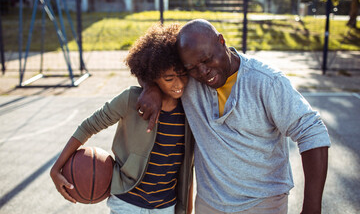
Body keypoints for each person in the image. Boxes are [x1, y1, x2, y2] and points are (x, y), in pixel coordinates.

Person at [137, 19, 331, 214]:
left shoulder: (266, 81)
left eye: (207, 60)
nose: (203, 72)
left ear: (221, 41)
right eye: (192, 67)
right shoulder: (187, 81)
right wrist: (150, 86)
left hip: (263, 203)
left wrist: (312, 209)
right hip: (210, 203)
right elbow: (148, 64)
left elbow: (312, 131)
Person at [50, 23, 194, 214]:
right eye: (168, 78)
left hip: (166, 207)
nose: (178, 84)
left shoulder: (191, 110)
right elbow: (89, 126)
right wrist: (56, 168)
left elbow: (188, 167)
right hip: (127, 203)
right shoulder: (131, 100)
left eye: (183, 75)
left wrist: (186, 209)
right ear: (152, 76)